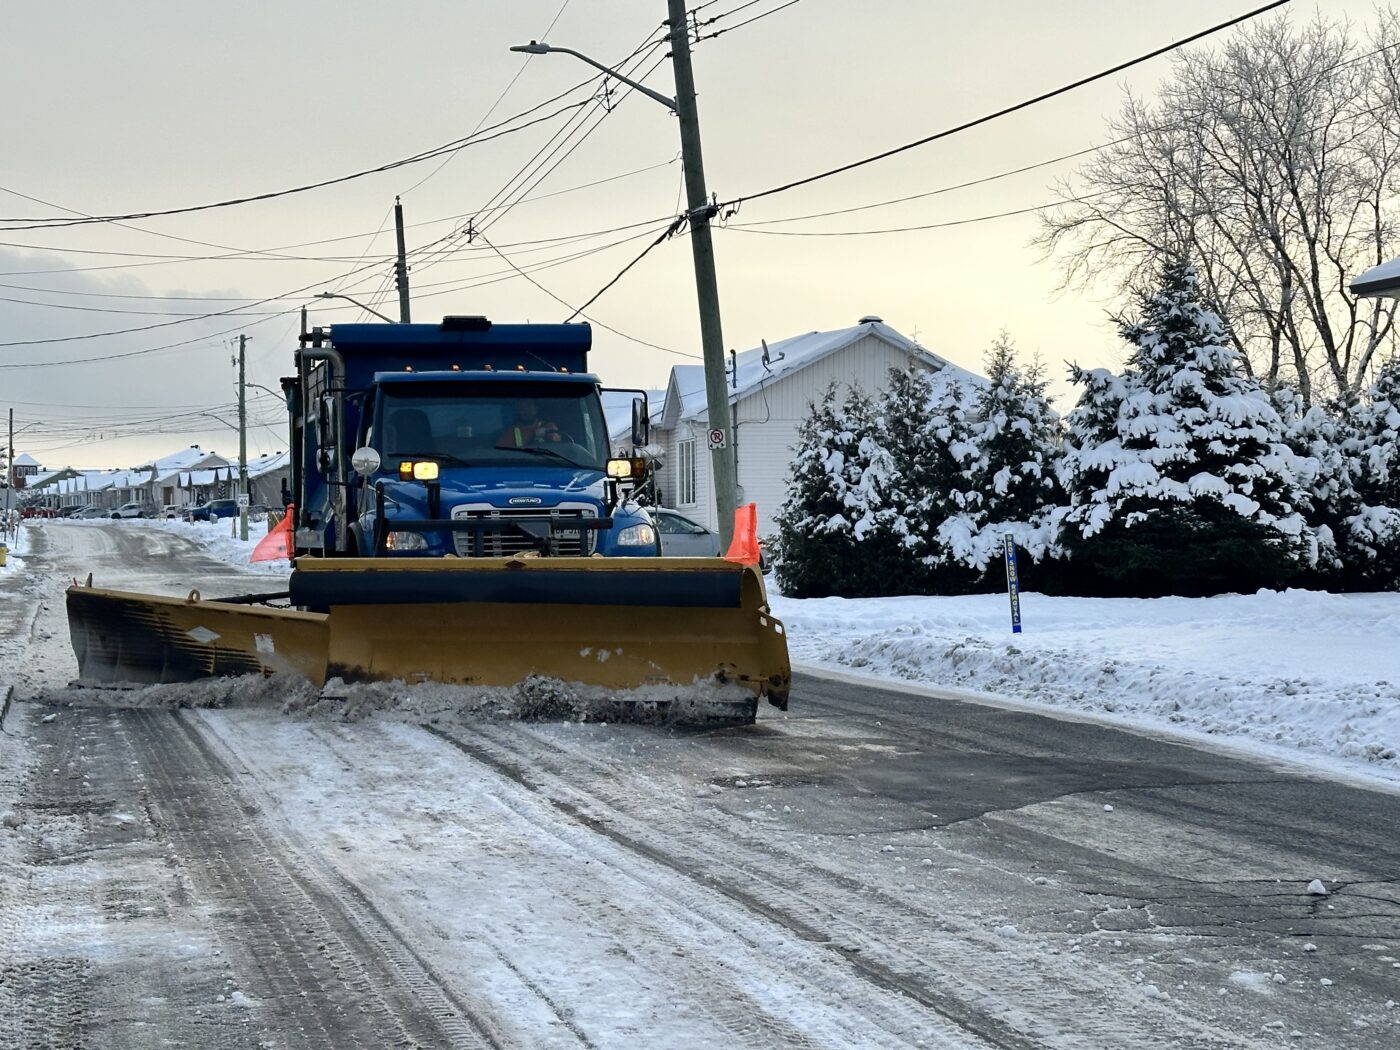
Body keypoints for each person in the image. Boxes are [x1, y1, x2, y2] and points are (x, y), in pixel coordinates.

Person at [496, 399, 562, 448]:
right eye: (520, 409)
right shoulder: (509, 434)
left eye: (527, 407)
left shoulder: (549, 427)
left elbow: (562, 450)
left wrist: (553, 436)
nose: (523, 412)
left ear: (536, 408)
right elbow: (500, 455)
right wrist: (534, 437)